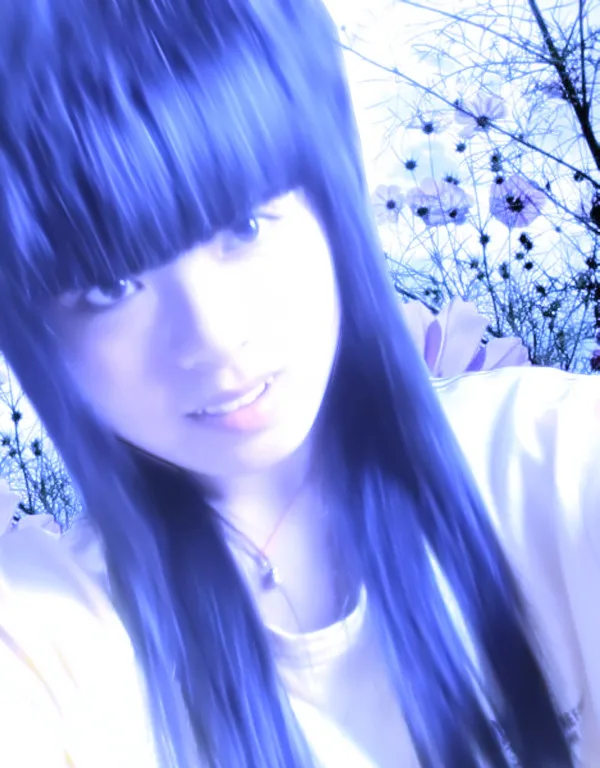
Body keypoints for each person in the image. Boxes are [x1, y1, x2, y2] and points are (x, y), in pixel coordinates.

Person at [0, 1, 597, 766]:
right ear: (37, 334)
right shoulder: (49, 634)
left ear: (330, 201)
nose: (214, 337)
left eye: (245, 227)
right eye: (112, 287)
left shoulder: (551, 458)